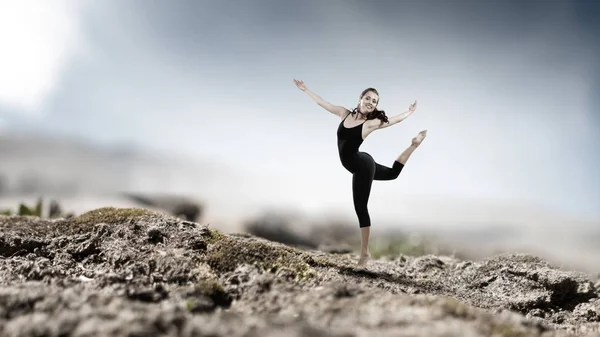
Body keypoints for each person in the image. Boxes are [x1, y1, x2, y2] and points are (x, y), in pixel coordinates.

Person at [294, 79, 427, 266]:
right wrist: (305, 89)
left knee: (361, 207)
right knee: (392, 174)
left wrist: (409, 112)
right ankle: (413, 145)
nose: (371, 102)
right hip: (361, 161)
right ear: (360, 99)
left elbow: (395, 120)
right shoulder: (343, 113)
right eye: (368, 98)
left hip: (361, 166)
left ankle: (364, 254)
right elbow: (323, 103)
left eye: (374, 101)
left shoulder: (370, 124)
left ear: (375, 107)